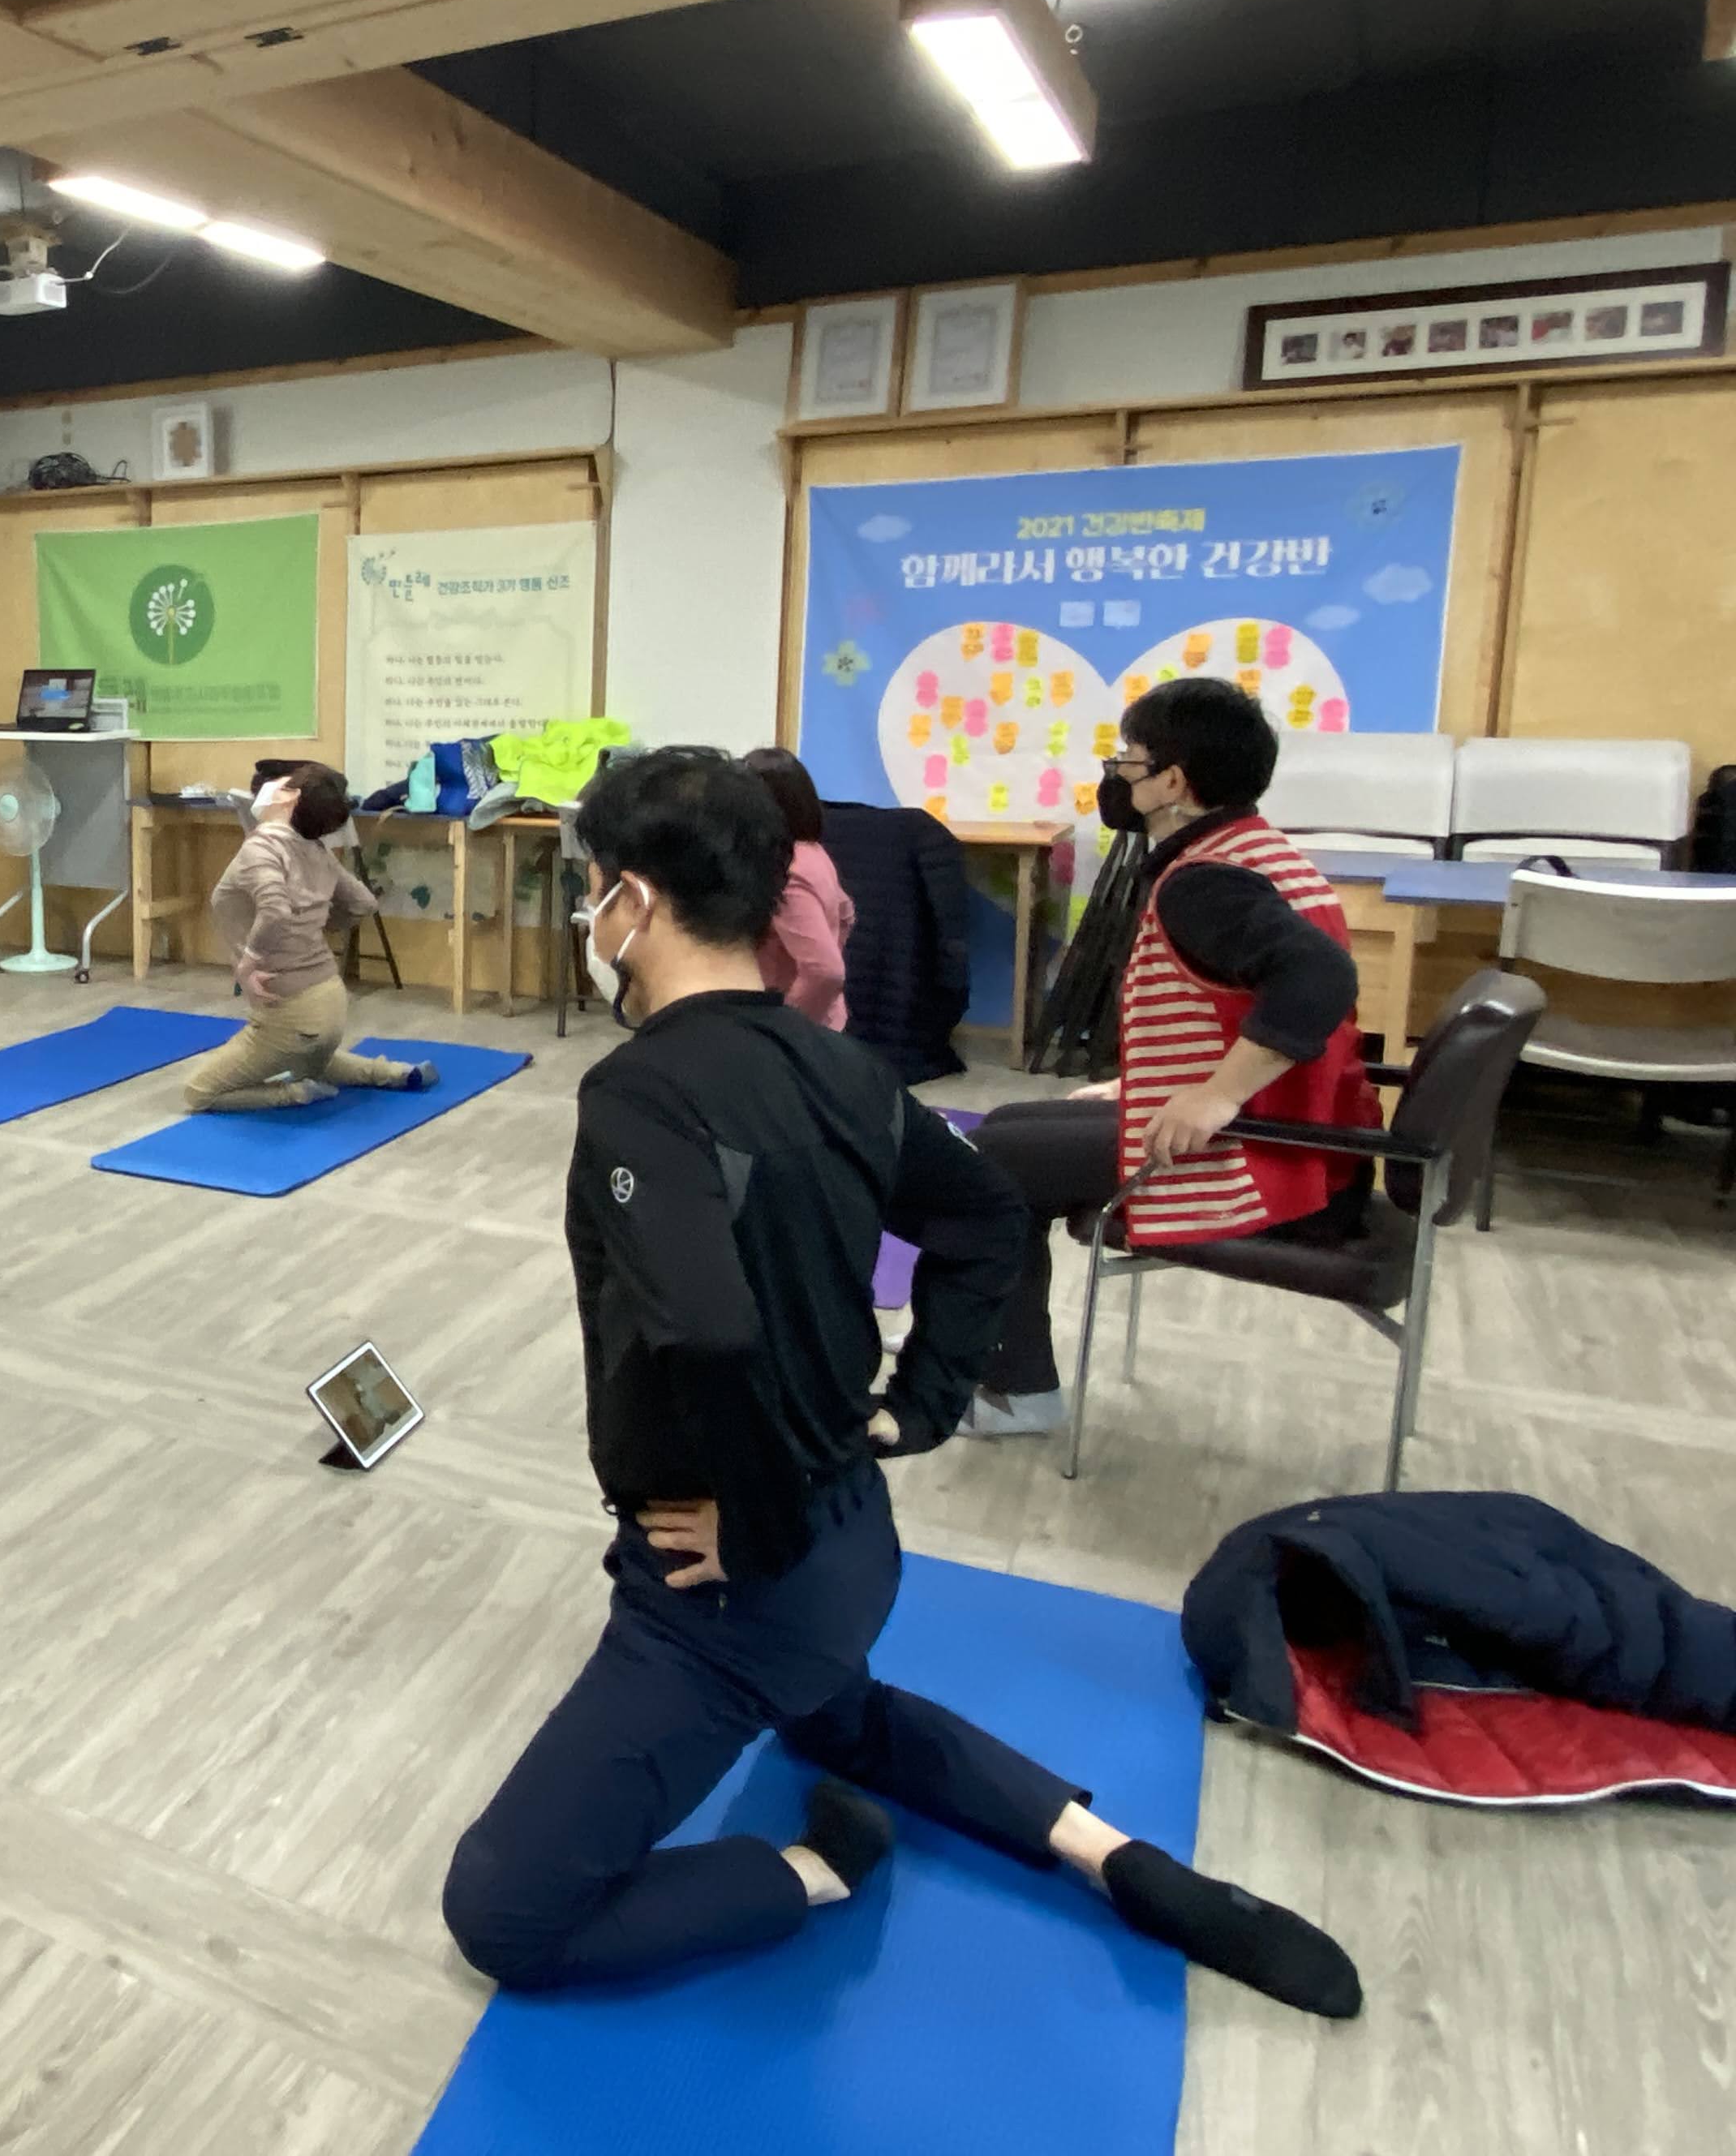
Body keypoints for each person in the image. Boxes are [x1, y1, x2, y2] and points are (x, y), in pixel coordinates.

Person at [437, 746, 1359, 2016]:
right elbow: (985, 1216)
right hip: (853, 1548)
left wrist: (755, 1528)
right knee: (837, 1713)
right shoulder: (847, 1067)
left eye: (593, 889)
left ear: (632, 900)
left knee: (503, 1914)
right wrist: (912, 1407)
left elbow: (706, 1331)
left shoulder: (640, 1093)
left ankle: (819, 1869)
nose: (591, 916)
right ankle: (1113, 1854)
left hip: (729, 1587)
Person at [958, 677, 1377, 1438]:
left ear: (1173, 782)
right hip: (1307, 1135)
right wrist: (1149, 1082)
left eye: (1129, 758)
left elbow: (1319, 979)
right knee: (1012, 1123)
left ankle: (1014, 1391)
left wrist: (1214, 1096)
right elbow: (1231, 1000)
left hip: (1268, 1154)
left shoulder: (1204, 883)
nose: (1117, 774)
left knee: (989, 1164)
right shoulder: (1249, 848)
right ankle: (996, 1357)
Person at [182, 764, 436, 1111]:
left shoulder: (262, 850)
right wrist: (318, 925)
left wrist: (248, 963)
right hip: (329, 1004)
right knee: (310, 1059)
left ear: (290, 797)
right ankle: (394, 1073)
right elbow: (364, 903)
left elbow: (275, 911)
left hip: (291, 1014)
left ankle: (294, 1094)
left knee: (198, 1092)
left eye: (283, 781)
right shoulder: (315, 850)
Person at [739, 745, 854, 1028]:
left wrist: (787, 1025)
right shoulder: (812, 852)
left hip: (797, 1027)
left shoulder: (788, 873)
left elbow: (826, 971)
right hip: (823, 1020)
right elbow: (846, 914)